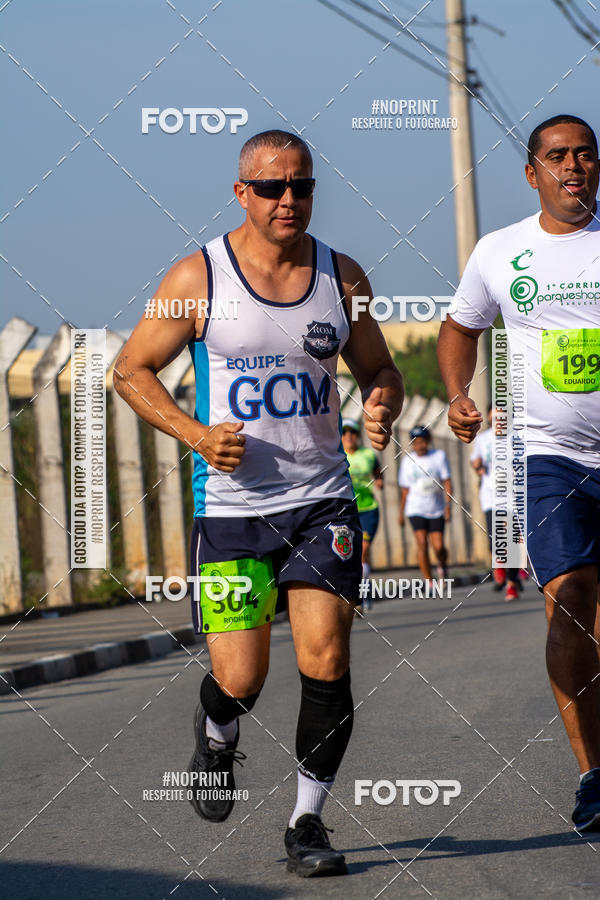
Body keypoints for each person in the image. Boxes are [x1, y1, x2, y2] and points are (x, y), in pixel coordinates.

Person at [113, 129, 404, 875]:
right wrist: (197, 435)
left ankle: (307, 823)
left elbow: (379, 367)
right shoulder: (199, 275)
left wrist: (380, 404)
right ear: (241, 191)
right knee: (243, 679)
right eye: (272, 187)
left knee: (327, 657)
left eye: (301, 186)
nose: (288, 200)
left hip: (322, 503)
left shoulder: (341, 276)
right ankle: (217, 731)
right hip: (235, 509)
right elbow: (131, 370)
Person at [437, 114, 600, 832]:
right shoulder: (502, 251)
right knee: (569, 597)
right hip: (547, 457)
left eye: (586, 155)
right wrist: (458, 393)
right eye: (558, 157)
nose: (575, 167)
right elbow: (459, 326)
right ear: (533, 174)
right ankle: (593, 773)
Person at [470, 404, 521, 601]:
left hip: (515, 495)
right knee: (496, 540)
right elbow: (476, 460)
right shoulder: (483, 439)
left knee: (514, 542)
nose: (498, 421)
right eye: (494, 418)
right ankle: (500, 564)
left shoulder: (516, 437)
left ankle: (511, 584)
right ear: (489, 419)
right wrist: (478, 467)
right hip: (491, 495)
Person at [398, 425, 452, 585]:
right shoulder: (407, 461)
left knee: (438, 546)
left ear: (428, 441)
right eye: (415, 442)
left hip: (436, 509)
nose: (419, 445)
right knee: (421, 543)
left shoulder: (439, 456)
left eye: (422, 441)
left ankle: (442, 564)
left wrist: (448, 506)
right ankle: (428, 580)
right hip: (416, 508)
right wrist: (401, 512)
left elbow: (447, 482)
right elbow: (405, 490)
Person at [341, 418, 383, 611]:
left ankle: (362, 597)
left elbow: (378, 472)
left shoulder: (368, 454)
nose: (349, 436)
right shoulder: (337, 456)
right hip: (346, 512)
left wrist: (379, 481)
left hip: (368, 510)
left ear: (358, 436)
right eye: (345, 432)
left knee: (362, 553)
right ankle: (357, 594)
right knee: (350, 555)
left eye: (353, 433)